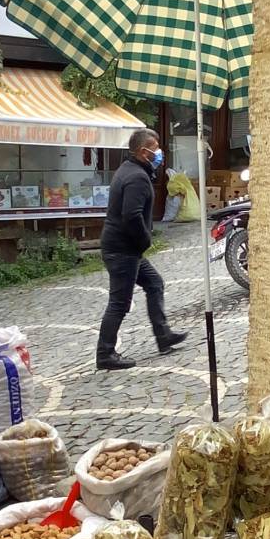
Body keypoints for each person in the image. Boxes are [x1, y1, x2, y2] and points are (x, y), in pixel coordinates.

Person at [97, 129, 187, 370]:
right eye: (155, 148)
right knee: (119, 303)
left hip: (126, 248)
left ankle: (163, 335)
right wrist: (145, 239)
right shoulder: (136, 176)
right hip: (123, 249)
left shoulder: (131, 170)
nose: (159, 152)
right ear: (142, 151)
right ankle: (105, 354)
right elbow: (131, 215)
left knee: (154, 283)